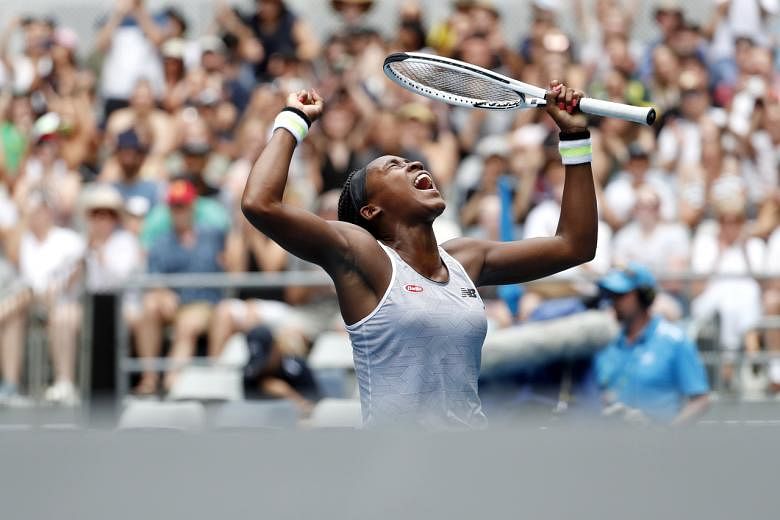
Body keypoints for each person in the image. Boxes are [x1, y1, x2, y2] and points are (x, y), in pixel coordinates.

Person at [241, 82, 598, 429]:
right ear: (370, 211)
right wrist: (292, 119)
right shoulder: (364, 256)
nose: (413, 165)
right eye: (393, 167)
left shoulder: (466, 259)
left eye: (411, 162)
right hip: (399, 470)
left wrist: (575, 138)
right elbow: (260, 204)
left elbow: (575, 245)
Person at [133, 179, 226, 395]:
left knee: (187, 324)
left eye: (182, 206)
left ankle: (171, 383)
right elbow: (153, 276)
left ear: (192, 206)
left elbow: (229, 262)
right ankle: (149, 377)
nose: (178, 212)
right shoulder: (161, 240)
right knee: (148, 308)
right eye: (174, 207)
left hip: (205, 302)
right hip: (174, 301)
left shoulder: (213, 235)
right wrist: (161, 292)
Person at [594, 263, 710, 425]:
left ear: (644, 296)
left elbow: (700, 400)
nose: (614, 302)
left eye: (621, 295)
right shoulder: (606, 343)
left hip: (658, 446)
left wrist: (667, 435)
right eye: (611, 296)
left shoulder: (675, 340)